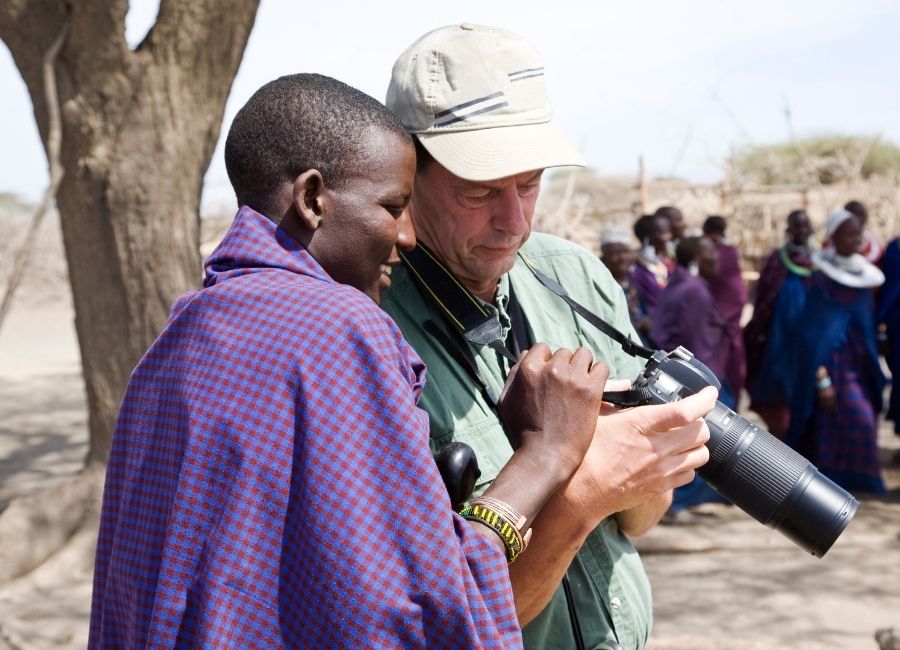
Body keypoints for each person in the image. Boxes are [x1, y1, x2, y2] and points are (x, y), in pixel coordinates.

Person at [89, 73, 619, 648]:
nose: (409, 235)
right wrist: (548, 454)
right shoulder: (338, 326)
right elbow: (426, 614)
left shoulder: (183, 332)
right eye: (394, 207)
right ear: (313, 199)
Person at [382, 24, 715, 650]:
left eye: (529, 183)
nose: (514, 222)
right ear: (406, 170)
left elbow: (641, 521)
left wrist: (643, 460)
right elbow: (454, 617)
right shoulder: (367, 330)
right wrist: (585, 485)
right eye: (479, 191)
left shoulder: (576, 276)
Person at [788, 209, 886, 494]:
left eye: (859, 232)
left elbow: (865, 332)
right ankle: (825, 489)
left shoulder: (863, 286)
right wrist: (822, 380)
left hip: (860, 370)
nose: (857, 239)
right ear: (833, 238)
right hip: (831, 371)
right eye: (849, 233)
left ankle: (861, 486)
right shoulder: (822, 285)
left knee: (864, 424)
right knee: (830, 429)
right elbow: (811, 339)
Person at [651, 236, 733, 511]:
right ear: (697, 259)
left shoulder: (680, 283)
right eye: (710, 251)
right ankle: (678, 502)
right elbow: (697, 340)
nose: (717, 257)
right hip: (701, 378)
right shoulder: (694, 289)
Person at [743, 209, 815, 436]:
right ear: (788, 229)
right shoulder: (776, 260)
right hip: (780, 338)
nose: (801, 231)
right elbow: (763, 298)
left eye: (805, 226)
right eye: (797, 226)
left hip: (812, 336)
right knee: (781, 387)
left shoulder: (821, 260)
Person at [702, 215, 748, 409]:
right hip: (722, 327)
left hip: (716, 329)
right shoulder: (727, 252)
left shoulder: (714, 254)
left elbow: (735, 294)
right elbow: (739, 295)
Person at [600, 227, 653, 345]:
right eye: (614, 253)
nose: (622, 258)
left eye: (625, 252)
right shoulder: (605, 286)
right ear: (604, 257)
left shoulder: (633, 281)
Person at [630, 213, 673, 315]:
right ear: (647, 237)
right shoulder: (635, 268)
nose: (669, 236)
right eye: (664, 232)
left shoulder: (664, 261)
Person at [845, 199, 883, 264]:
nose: (862, 219)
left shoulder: (870, 239)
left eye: (863, 215)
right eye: (858, 215)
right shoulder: (837, 241)